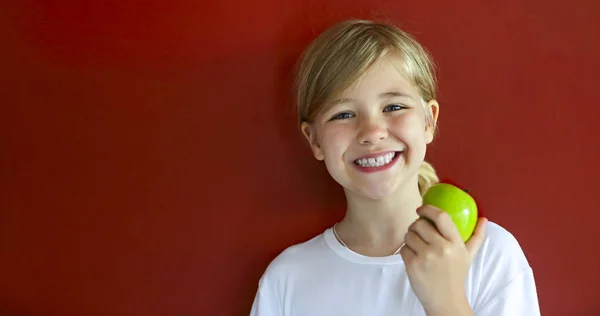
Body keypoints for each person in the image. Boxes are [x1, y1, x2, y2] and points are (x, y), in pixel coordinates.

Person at [250, 19, 540, 316]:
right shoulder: (287, 279)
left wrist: (446, 301)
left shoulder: (489, 255)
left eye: (393, 107)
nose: (372, 131)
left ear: (429, 120)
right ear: (315, 141)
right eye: (344, 114)